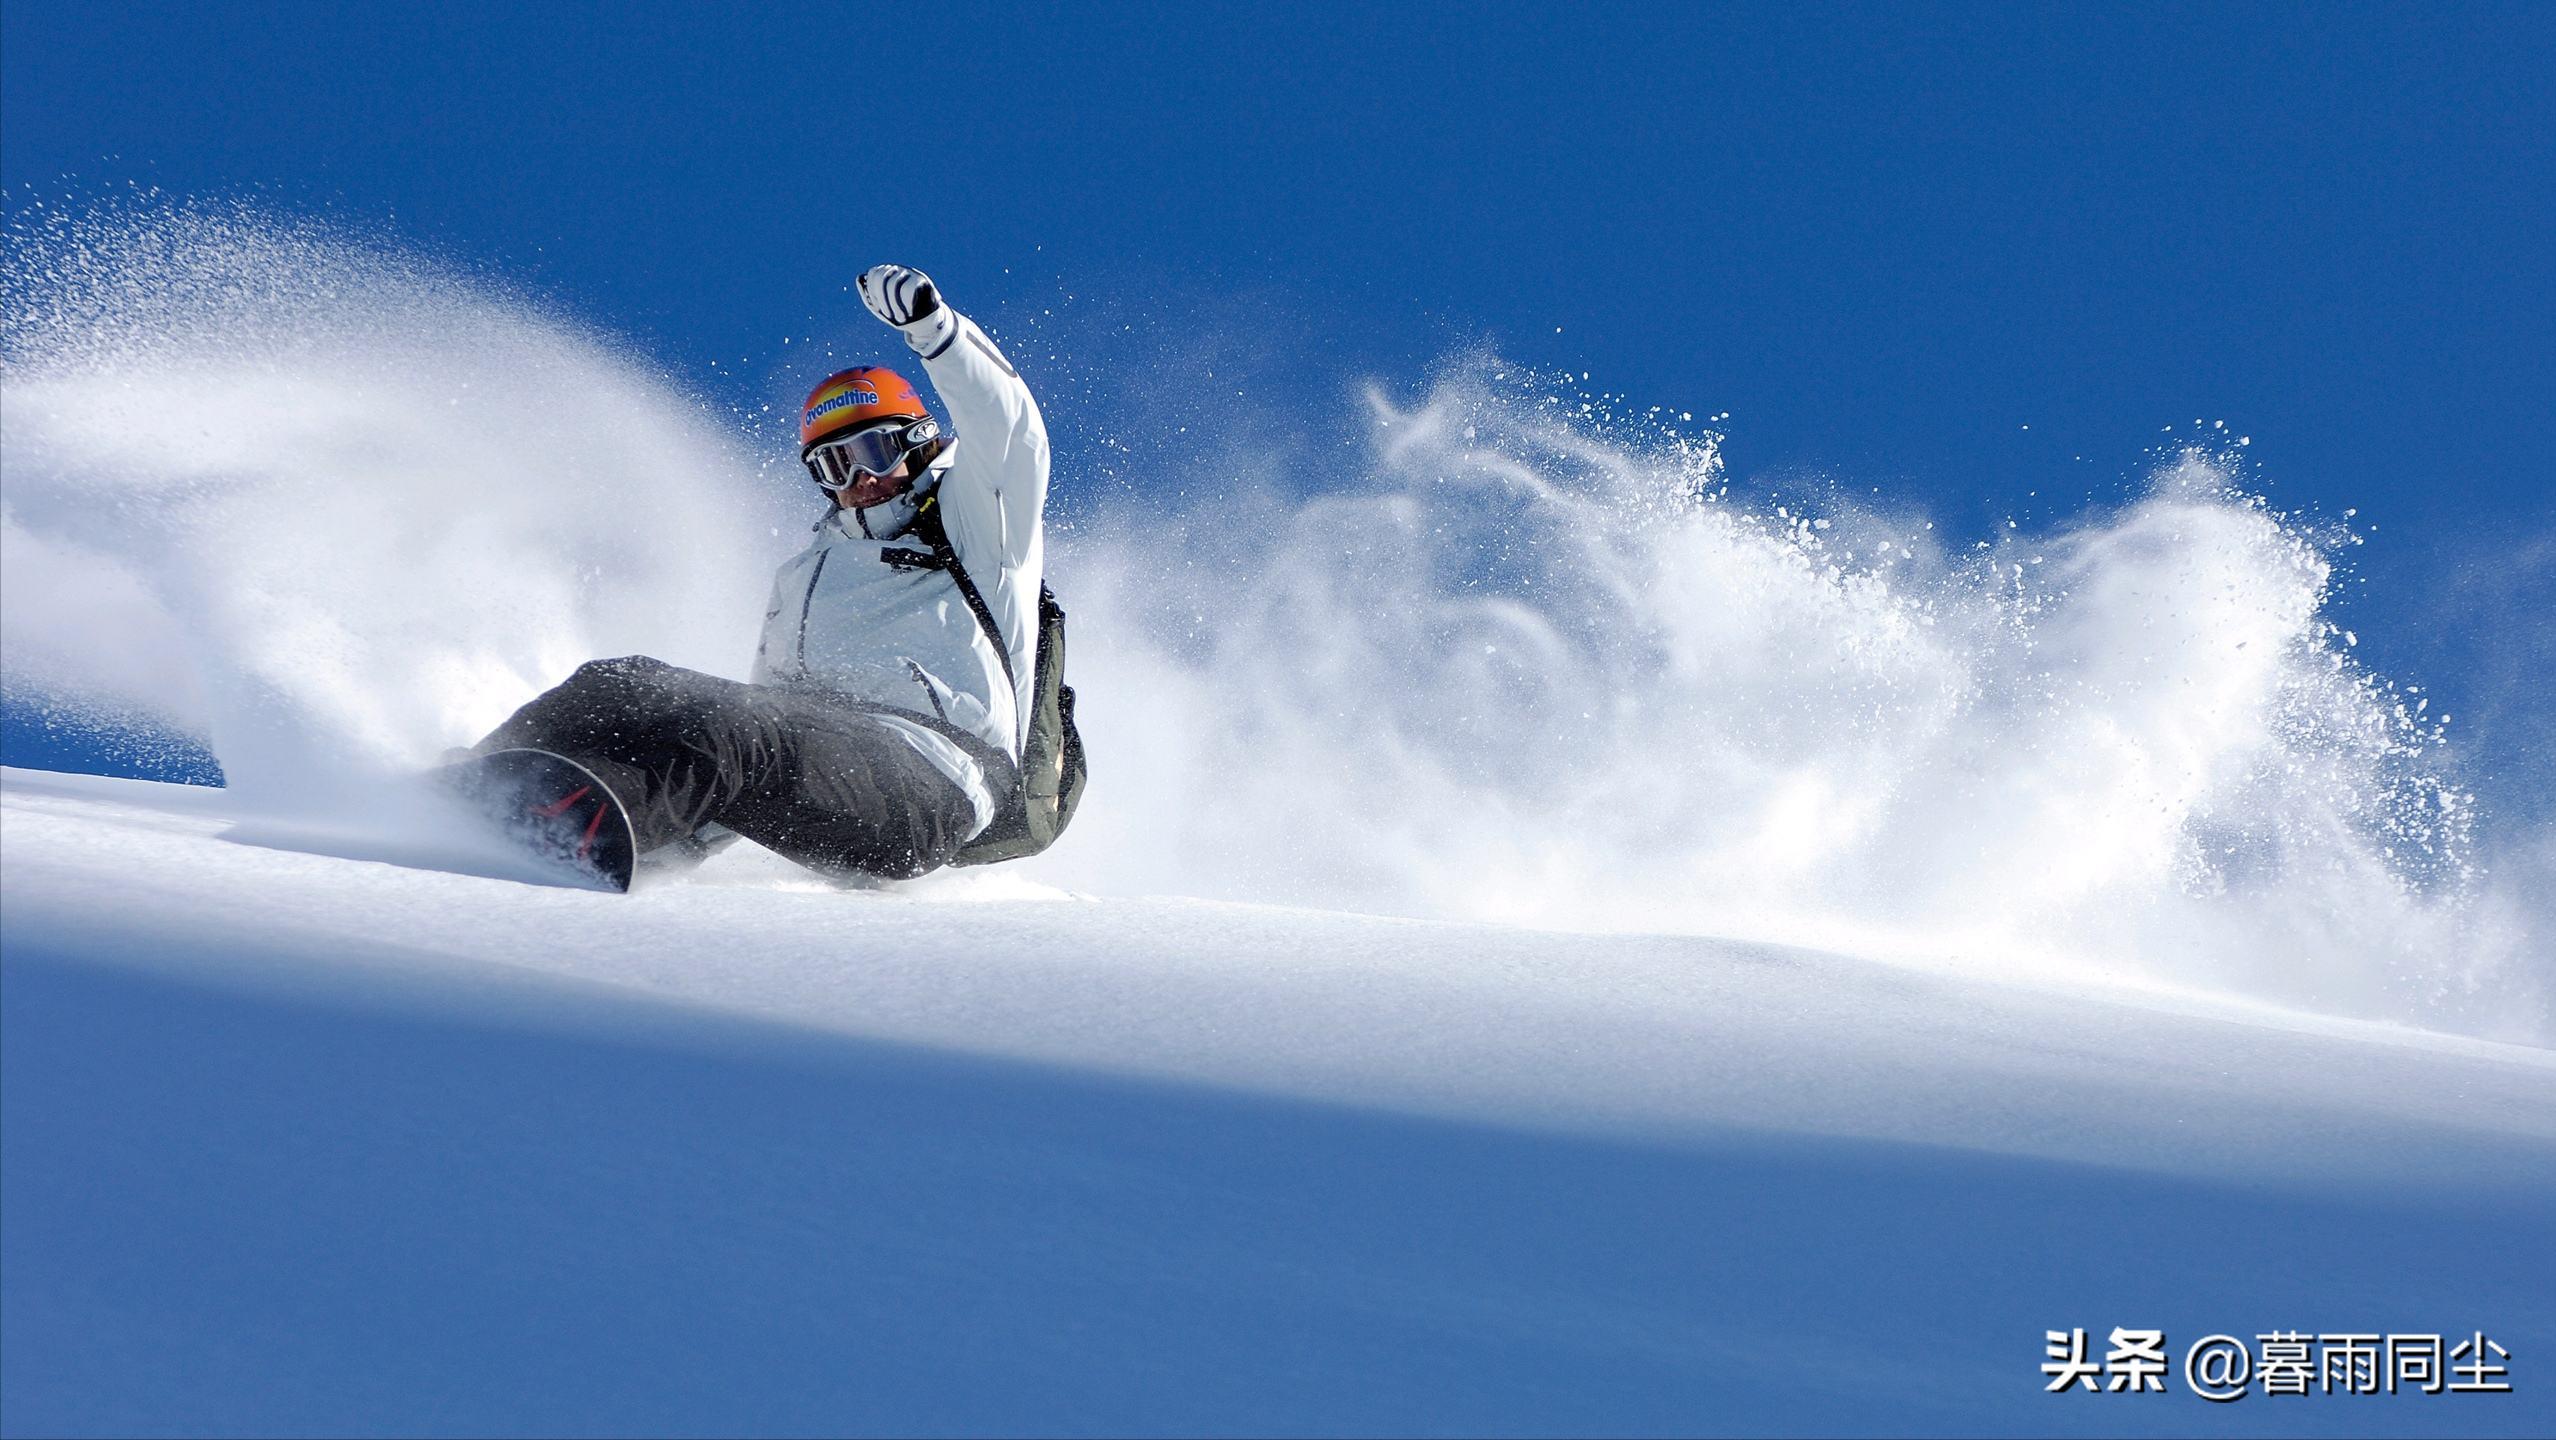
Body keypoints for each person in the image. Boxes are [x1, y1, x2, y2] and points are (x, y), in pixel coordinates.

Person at [469, 263, 1049, 879]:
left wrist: (938, 333)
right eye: (833, 466)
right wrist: (680, 852)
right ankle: (479, 788)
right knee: (618, 684)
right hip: (825, 757)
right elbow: (764, 731)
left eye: (872, 453)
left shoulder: (980, 526)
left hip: (938, 778)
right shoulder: (804, 578)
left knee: (737, 730)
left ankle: (569, 843)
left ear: (918, 441)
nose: (858, 481)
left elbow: (1013, 431)